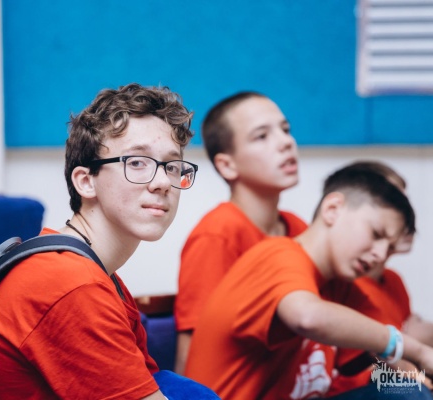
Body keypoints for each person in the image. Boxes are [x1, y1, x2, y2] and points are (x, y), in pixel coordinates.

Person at [0, 83, 200, 399]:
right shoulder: (69, 284)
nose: (162, 182)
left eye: (172, 166)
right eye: (137, 162)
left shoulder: (98, 276)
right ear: (86, 182)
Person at [185, 163, 433, 400]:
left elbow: (381, 347)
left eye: (389, 248)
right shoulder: (276, 256)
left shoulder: (340, 285)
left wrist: (417, 370)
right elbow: (307, 317)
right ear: (333, 209)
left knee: (406, 390)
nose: (380, 254)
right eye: (376, 234)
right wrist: (417, 351)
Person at [174, 91, 306, 373]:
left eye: (285, 130)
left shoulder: (299, 228)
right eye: (262, 136)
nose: (286, 143)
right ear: (227, 165)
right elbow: (194, 352)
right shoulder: (216, 235)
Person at [328, 161, 433, 396]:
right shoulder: (346, 282)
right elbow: (377, 361)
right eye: (391, 203)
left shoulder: (394, 281)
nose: (405, 217)